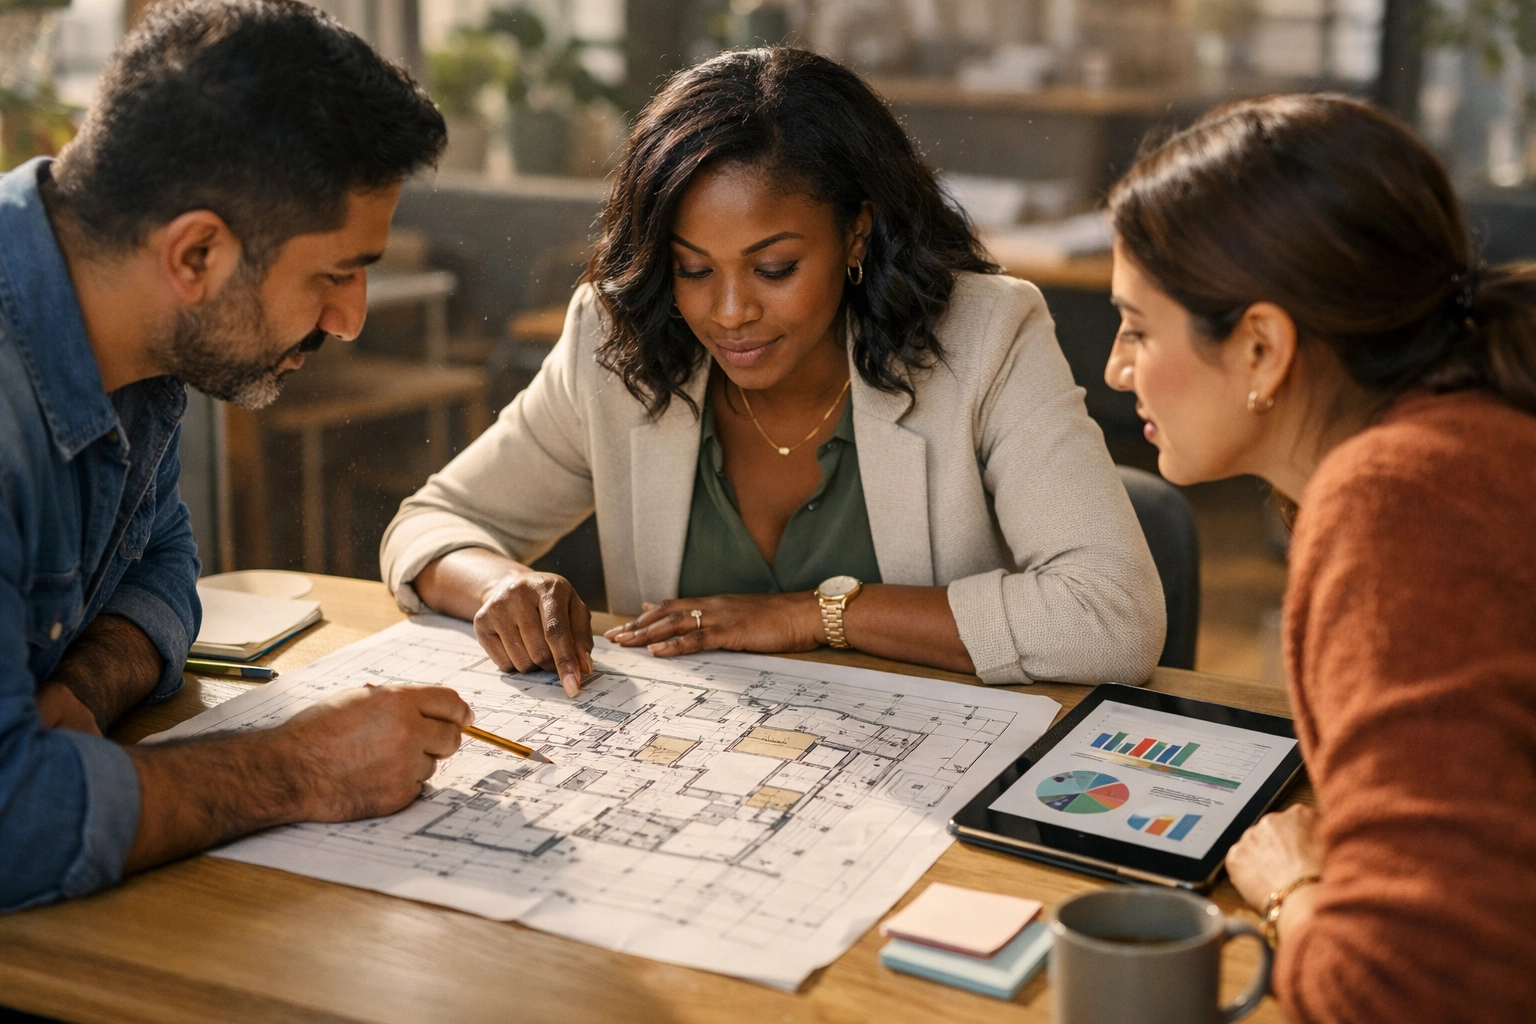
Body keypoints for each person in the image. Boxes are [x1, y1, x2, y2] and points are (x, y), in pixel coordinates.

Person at [381, 47, 1164, 696]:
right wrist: (493, 583)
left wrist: (814, 616)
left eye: (775, 267)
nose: (728, 312)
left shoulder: (986, 336)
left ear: (856, 233)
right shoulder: (616, 339)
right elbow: (428, 525)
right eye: (692, 269)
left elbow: (1113, 616)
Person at [0, 0, 475, 912]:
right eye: (335, 274)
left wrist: (88, 686)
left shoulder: (134, 341)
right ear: (197, 253)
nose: (350, 318)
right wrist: (302, 767)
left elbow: (167, 564)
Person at [1103, 93, 1536, 1021]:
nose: (1115, 368)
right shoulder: (1465, 439)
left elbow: (1398, 993)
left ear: (1261, 346)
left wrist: (1292, 889)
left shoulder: (1400, 502)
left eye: (1138, 327)